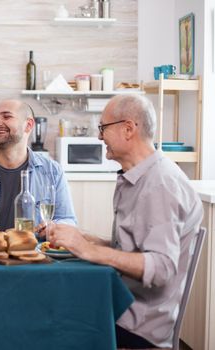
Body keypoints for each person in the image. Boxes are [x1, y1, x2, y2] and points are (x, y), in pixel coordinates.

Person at [49, 94, 203, 349]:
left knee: (52, 323)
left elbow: (162, 266)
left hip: (138, 324)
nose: (99, 137)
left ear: (129, 129)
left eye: (103, 128)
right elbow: (139, 249)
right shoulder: (138, 177)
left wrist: (91, 251)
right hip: (123, 304)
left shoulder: (160, 184)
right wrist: (95, 241)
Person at [0, 99, 77, 239]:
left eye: (6, 116)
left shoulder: (52, 171)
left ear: (28, 125)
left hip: (34, 256)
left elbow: (68, 221)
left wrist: (55, 226)